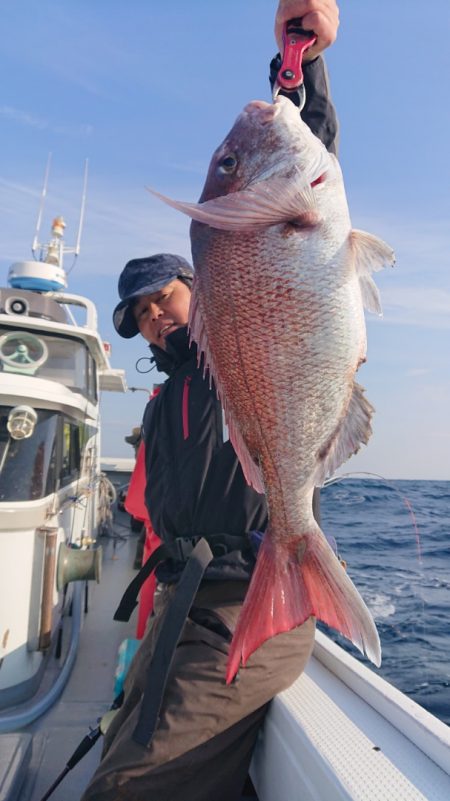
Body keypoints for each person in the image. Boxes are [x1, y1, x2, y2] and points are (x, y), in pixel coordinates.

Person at [82, 2, 339, 799]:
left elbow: (299, 172)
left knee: (127, 786)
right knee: (117, 751)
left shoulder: (225, 347)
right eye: (140, 316)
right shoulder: (162, 411)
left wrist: (301, 59)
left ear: (199, 286)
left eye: (163, 297)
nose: (155, 317)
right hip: (179, 609)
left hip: (246, 597)